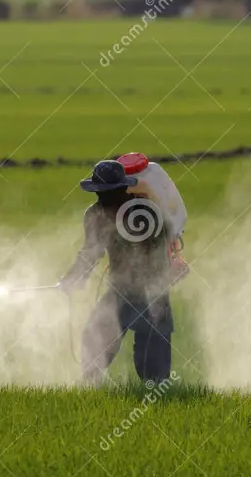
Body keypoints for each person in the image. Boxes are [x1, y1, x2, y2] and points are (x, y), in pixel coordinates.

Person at [58, 159, 181, 385]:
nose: (105, 200)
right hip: (119, 289)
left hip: (153, 289)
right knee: (96, 336)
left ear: (125, 189)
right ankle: (91, 384)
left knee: (152, 347)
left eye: (110, 193)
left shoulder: (148, 212)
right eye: (101, 194)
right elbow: (91, 251)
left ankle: (156, 390)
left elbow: (159, 250)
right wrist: (75, 277)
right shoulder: (95, 215)